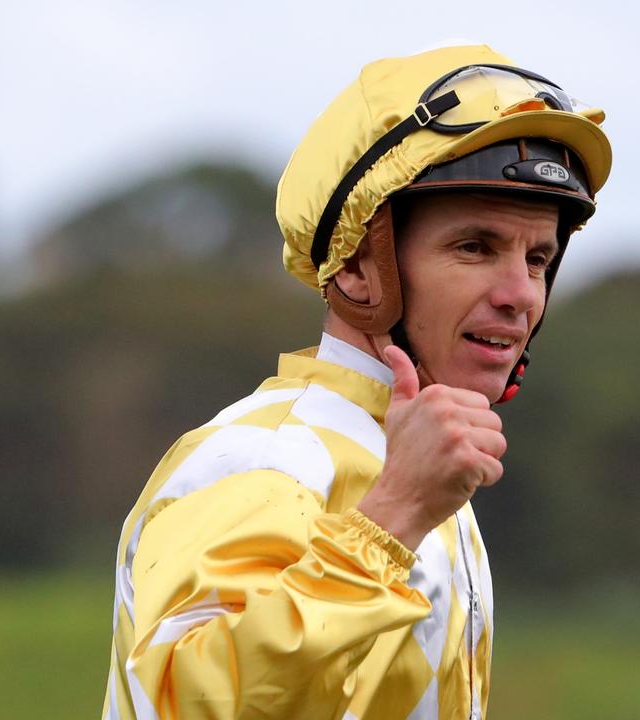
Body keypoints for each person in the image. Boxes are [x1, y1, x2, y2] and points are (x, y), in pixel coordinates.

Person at [101, 44, 612, 720]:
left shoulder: (415, 463)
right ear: (356, 268)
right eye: (475, 248)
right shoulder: (263, 460)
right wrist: (394, 515)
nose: (521, 294)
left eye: (538, 257)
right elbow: (189, 709)